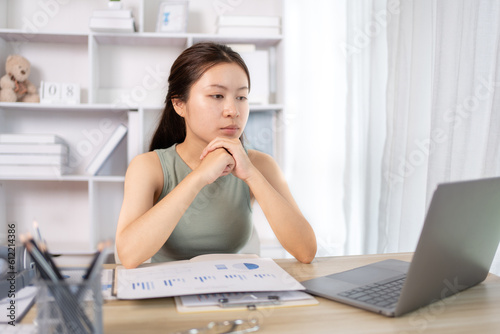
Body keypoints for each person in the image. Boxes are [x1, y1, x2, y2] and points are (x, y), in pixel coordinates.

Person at [115, 42, 316, 269]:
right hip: (167, 298)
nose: (233, 110)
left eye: (241, 97)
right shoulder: (148, 167)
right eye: (217, 95)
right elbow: (129, 256)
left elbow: (306, 251)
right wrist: (199, 176)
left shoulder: (261, 164)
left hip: (233, 293)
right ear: (179, 104)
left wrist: (251, 174)